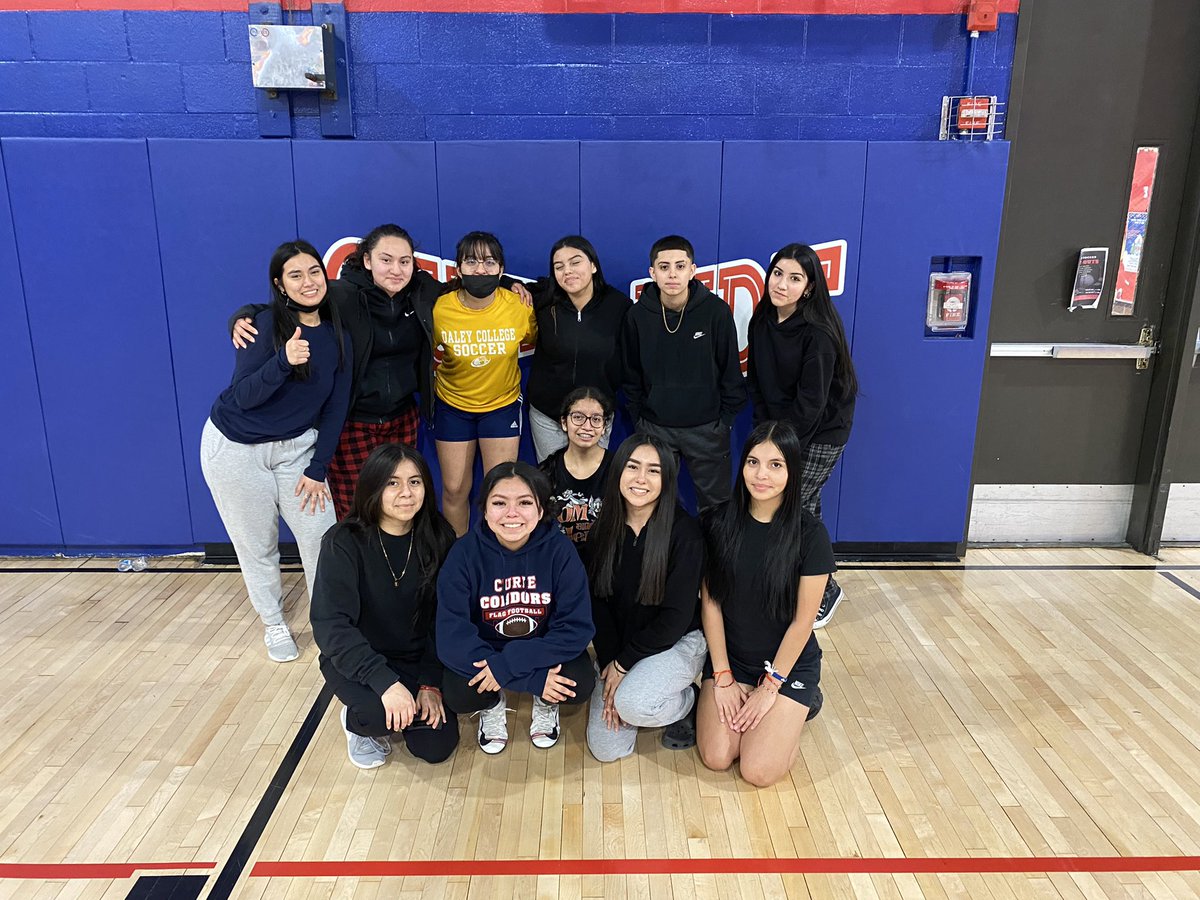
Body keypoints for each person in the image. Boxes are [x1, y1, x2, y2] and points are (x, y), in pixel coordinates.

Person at [229, 225, 531, 518]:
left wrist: (504, 283)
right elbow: (295, 301)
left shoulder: (423, 292)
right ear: (367, 260)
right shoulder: (341, 294)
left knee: (401, 504)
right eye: (386, 260)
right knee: (357, 506)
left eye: (404, 261)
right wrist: (245, 315)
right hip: (354, 420)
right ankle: (362, 568)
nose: (396, 270)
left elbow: (473, 285)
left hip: (402, 418)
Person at [201, 240, 351, 662]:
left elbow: (337, 405)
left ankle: (331, 622)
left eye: (314, 271)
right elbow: (243, 396)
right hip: (235, 447)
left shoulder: (339, 334)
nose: (308, 281)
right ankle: (274, 623)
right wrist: (283, 360)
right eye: (296, 275)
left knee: (322, 537)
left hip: (297, 449)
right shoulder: (263, 326)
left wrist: (319, 467)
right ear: (280, 285)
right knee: (257, 543)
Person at [696, 421, 830, 788]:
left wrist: (771, 687)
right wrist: (722, 675)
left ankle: (802, 704)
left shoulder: (810, 534)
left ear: (792, 471)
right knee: (717, 757)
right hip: (733, 660)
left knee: (757, 771)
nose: (762, 474)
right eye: (753, 462)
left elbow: (804, 622)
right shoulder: (717, 522)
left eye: (776, 465)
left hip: (785, 667)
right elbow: (711, 604)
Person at [311, 444, 459, 768]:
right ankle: (358, 722)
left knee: (436, 746)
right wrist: (384, 683)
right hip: (359, 660)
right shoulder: (342, 541)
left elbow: (446, 618)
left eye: (415, 482)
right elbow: (331, 625)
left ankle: (400, 700)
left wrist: (429, 682)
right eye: (392, 483)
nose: (406, 492)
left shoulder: (440, 536)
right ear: (373, 487)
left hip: (415, 658)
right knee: (377, 716)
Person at [436, 461, 595, 754]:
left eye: (524, 502)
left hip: (542, 649)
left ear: (540, 510)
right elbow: (451, 635)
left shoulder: (560, 550)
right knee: (459, 692)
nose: (512, 513)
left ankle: (546, 701)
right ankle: (493, 702)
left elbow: (577, 627)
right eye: (499, 503)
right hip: (488, 653)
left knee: (580, 682)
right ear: (484, 509)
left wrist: (511, 666)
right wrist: (531, 679)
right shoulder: (464, 554)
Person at [746, 244, 857, 628]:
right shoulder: (761, 321)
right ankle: (811, 580)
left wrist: (782, 449)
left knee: (793, 505)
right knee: (805, 506)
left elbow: (812, 404)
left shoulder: (818, 332)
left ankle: (823, 590)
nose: (783, 284)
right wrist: (765, 437)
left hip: (822, 430)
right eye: (778, 273)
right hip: (779, 430)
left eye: (795, 278)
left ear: (809, 287)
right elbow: (757, 385)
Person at [583, 434, 706, 762]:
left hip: (677, 642)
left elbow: (676, 618)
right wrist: (611, 663)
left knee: (634, 705)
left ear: (666, 479)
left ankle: (690, 700)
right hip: (622, 647)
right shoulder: (603, 530)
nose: (640, 478)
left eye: (653, 471)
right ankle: (639, 690)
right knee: (607, 749)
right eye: (632, 466)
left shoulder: (685, 534)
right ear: (617, 472)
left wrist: (623, 665)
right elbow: (598, 605)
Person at [620, 234, 746, 511]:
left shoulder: (715, 312)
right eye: (664, 267)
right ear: (652, 273)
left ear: (693, 270)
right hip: (655, 427)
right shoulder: (637, 316)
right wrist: (640, 420)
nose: (672, 274)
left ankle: (716, 556)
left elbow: (730, 372)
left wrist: (724, 421)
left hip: (707, 428)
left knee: (716, 509)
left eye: (680, 266)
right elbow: (630, 375)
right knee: (654, 506)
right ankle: (660, 556)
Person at [433, 232, 538, 536]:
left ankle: (495, 558)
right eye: (472, 261)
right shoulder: (440, 308)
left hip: (501, 407)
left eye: (489, 262)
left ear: (501, 269)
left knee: (501, 491)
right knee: (454, 490)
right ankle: (458, 561)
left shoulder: (519, 306)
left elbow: (530, 339)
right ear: (458, 268)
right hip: (452, 407)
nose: (480, 270)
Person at [526, 236, 629, 461]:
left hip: (595, 414)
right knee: (552, 486)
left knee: (593, 485)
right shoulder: (544, 300)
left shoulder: (619, 306)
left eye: (575, 262)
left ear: (593, 265)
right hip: (548, 415)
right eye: (559, 266)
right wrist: (507, 284)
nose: (568, 271)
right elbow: (503, 285)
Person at [539, 387, 615, 546]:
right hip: (561, 563)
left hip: (606, 563)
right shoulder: (546, 472)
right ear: (564, 422)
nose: (587, 426)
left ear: (604, 427)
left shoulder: (619, 469)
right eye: (578, 417)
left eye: (596, 419)